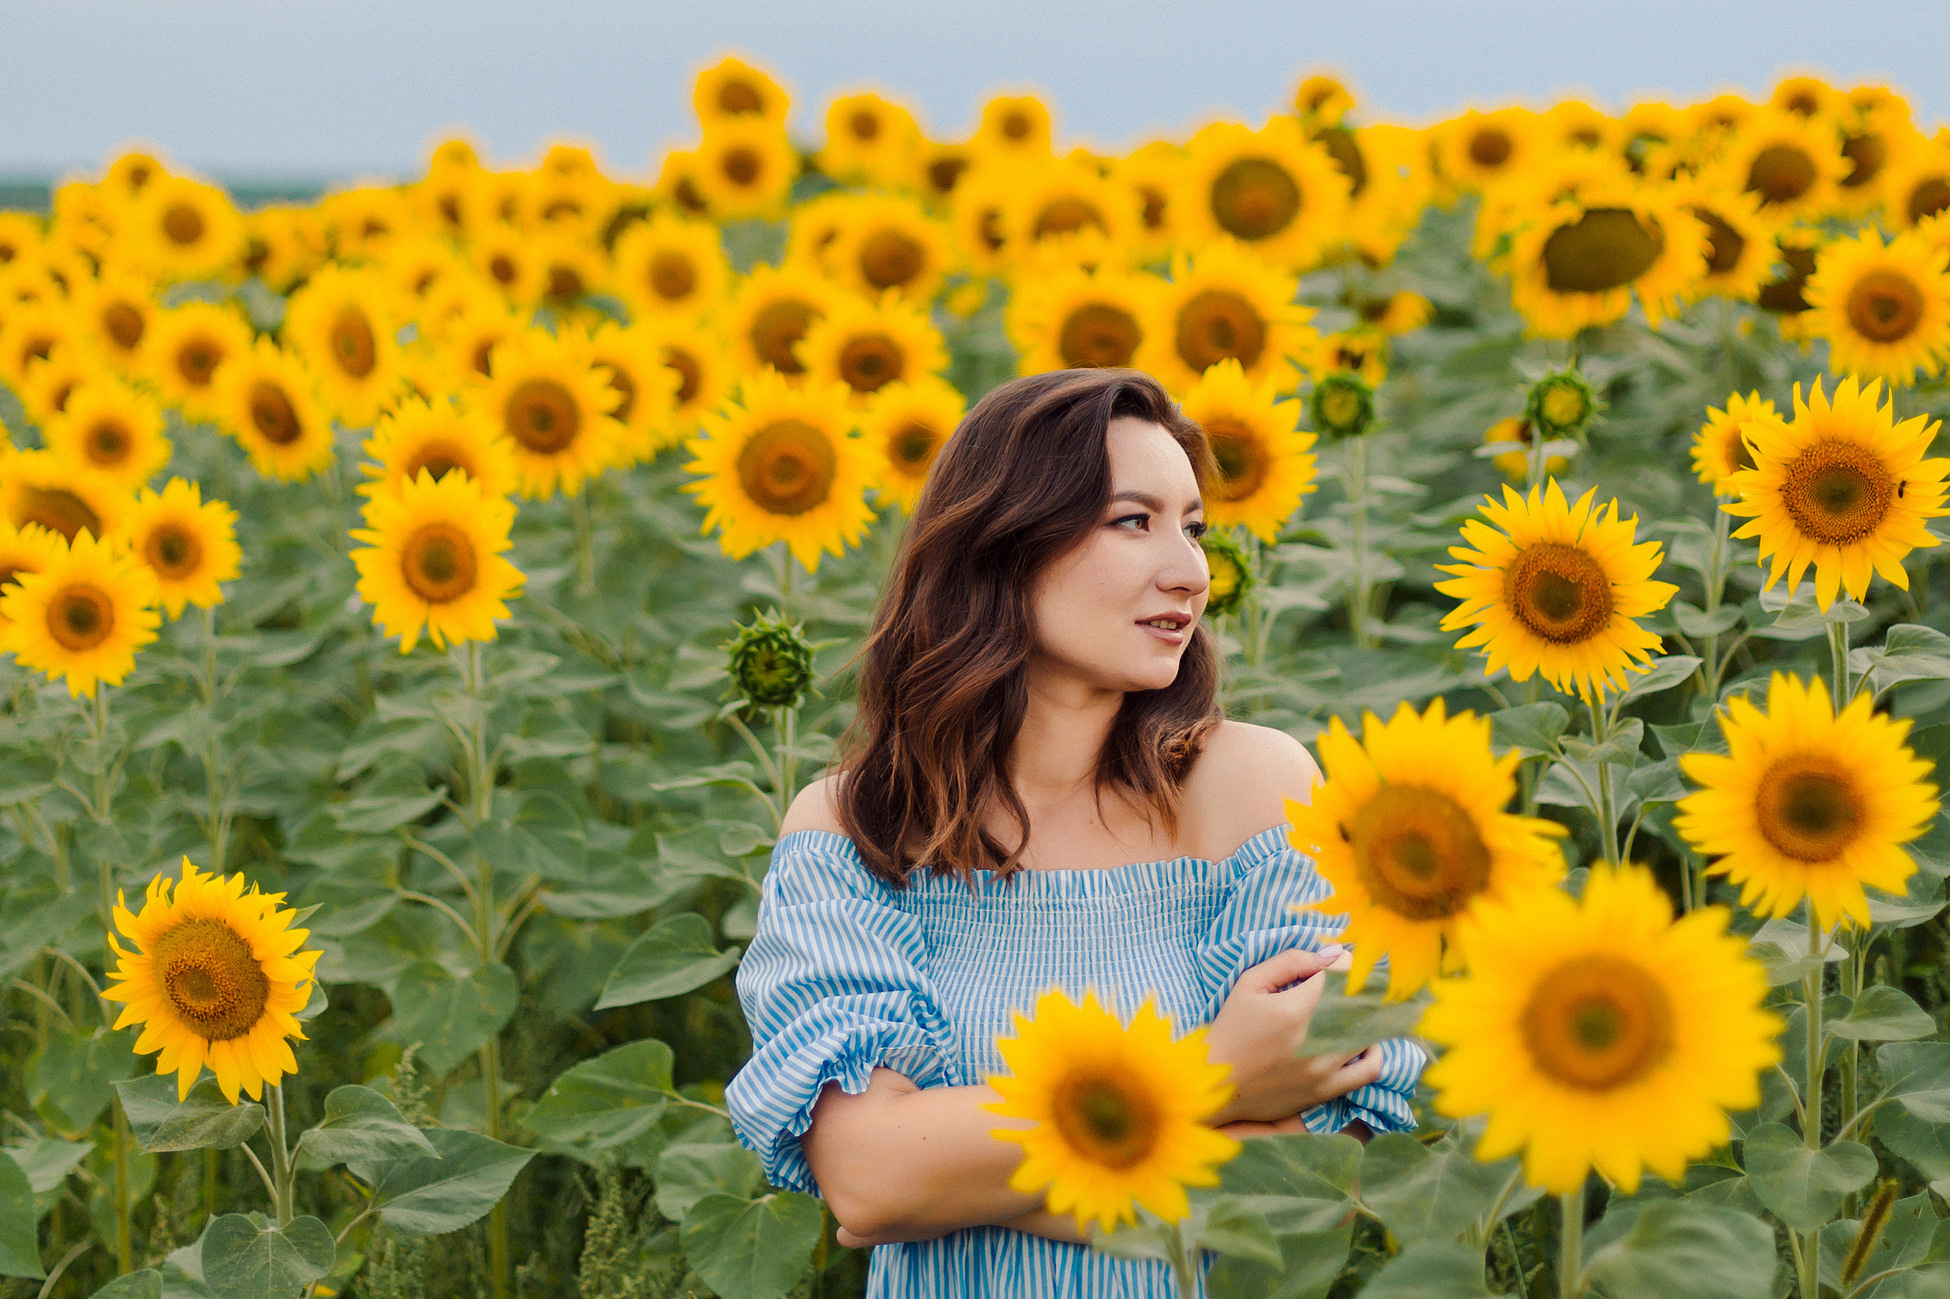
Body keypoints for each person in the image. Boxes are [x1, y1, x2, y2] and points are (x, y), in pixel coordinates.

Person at [724, 368, 1424, 1296]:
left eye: (1194, 526)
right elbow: (868, 1177)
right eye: (1133, 521)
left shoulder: (1250, 789)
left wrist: (956, 1179)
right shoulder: (858, 829)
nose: (1190, 571)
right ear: (1003, 545)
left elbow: (1315, 1174)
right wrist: (1214, 1074)